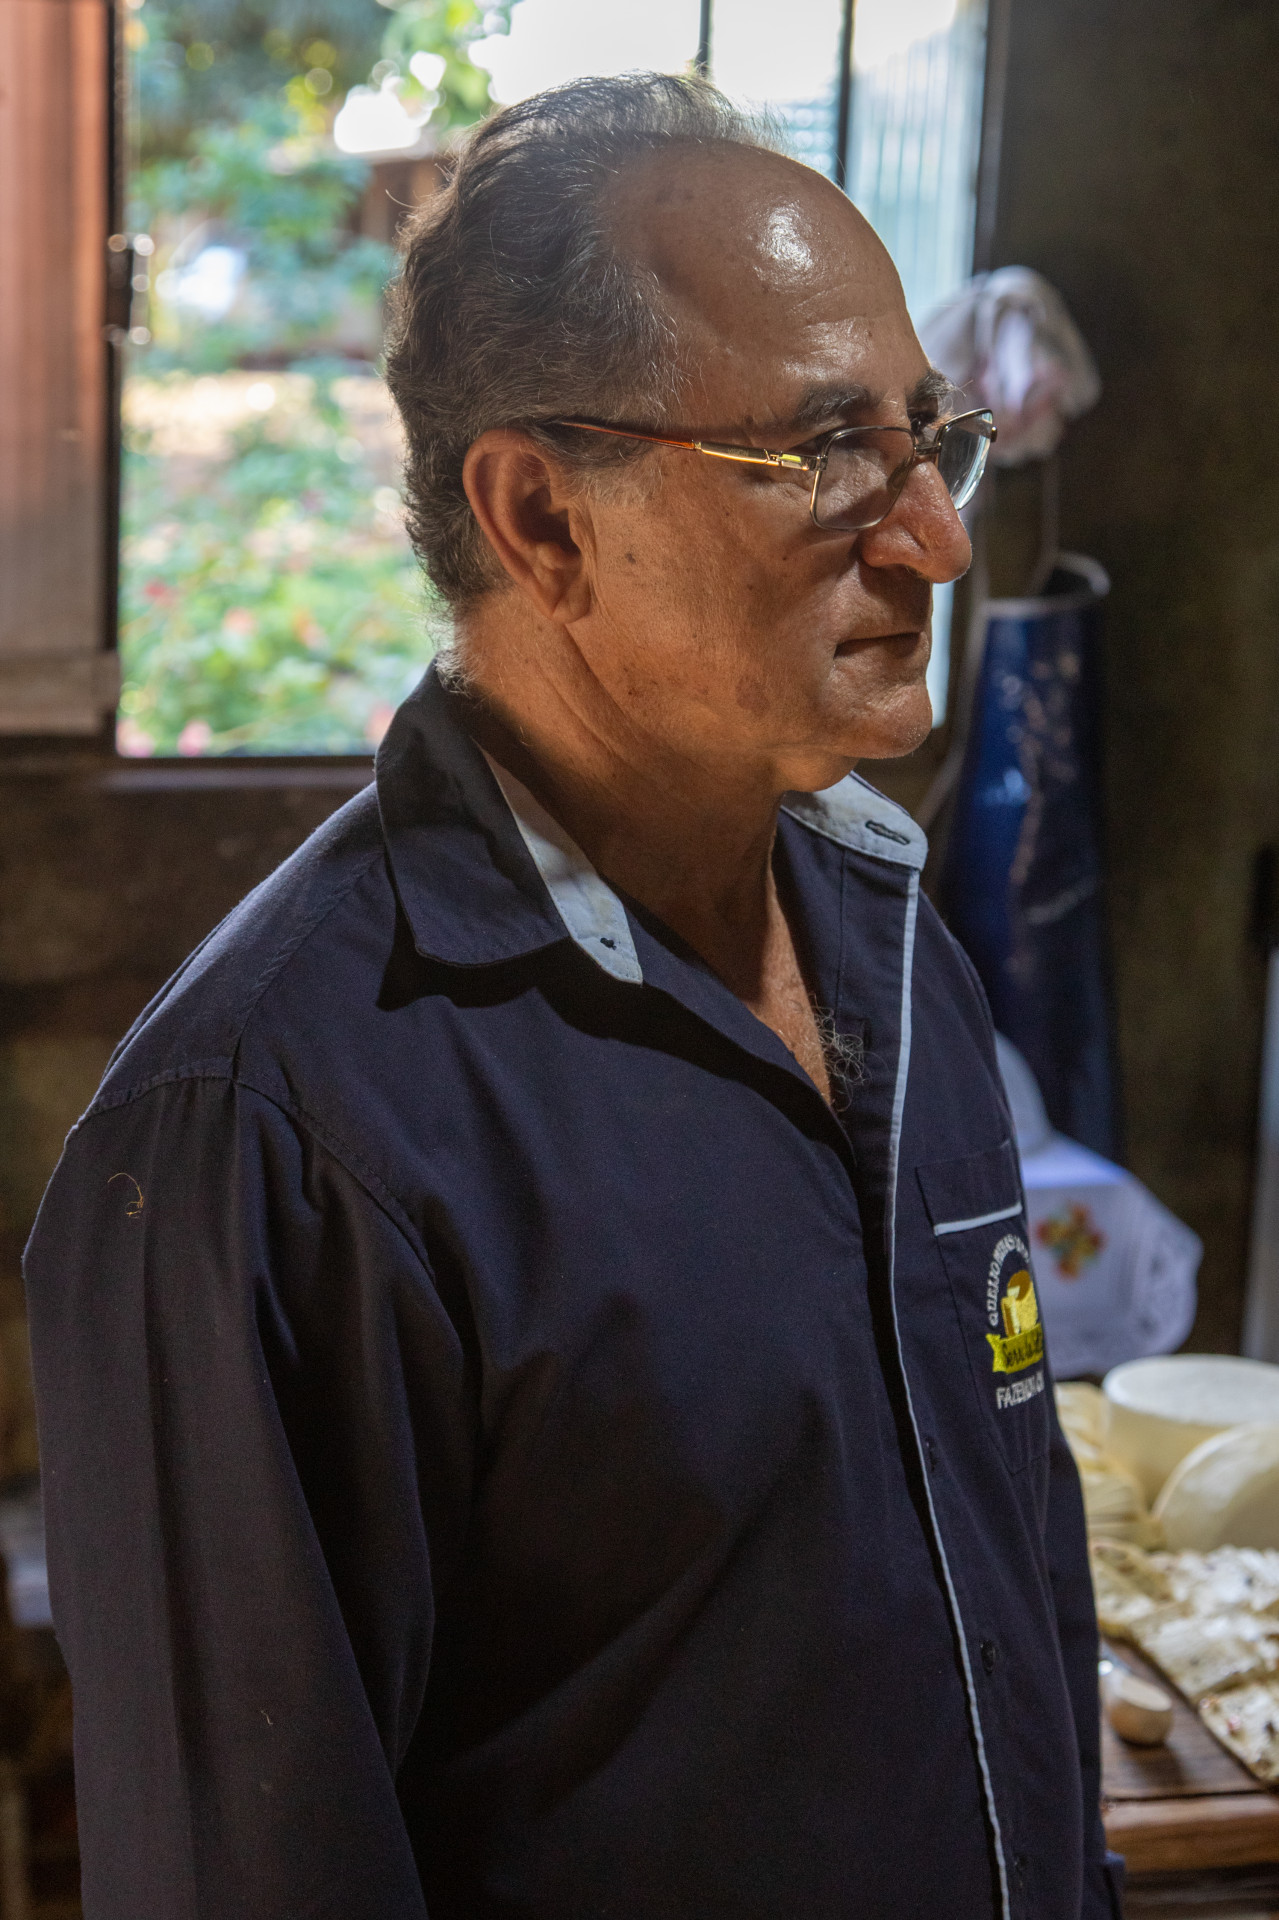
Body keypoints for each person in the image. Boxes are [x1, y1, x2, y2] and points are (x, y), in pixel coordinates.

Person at [25, 74, 1122, 1920]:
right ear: (540, 519)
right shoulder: (270, 1141)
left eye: (928, 437)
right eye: (821, 457)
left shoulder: (891, 954)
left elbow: (1011, 1608)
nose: (929, 539)